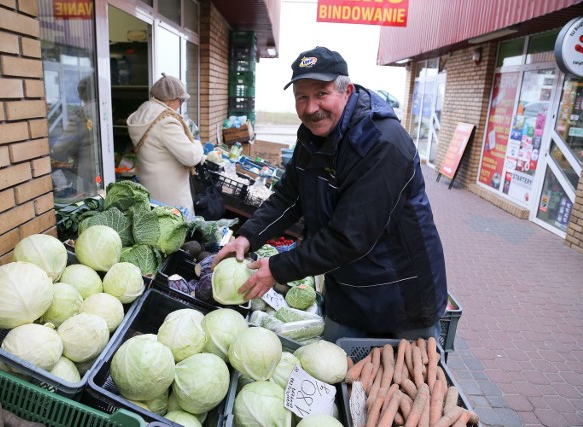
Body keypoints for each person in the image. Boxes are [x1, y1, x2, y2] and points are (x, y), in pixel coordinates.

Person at [212, 47, 448, 343]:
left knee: (407, 379)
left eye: (321, 94)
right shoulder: (312, 136)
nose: (311, 108)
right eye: (302, 96)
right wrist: (247, 237)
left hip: (400, 295)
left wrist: (279, 268)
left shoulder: (382, 144)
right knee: (338, 373)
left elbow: (351, 236)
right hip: (347, 286)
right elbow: (289, 196)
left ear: (346, 91)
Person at [127, 72, 204, 214]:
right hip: (171, 195)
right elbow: (191, 156)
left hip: (150, 187)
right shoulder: (166, 121)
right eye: (181, 100)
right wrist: (198, 144)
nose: (181, 104)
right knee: (176, 231)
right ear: (169, 99)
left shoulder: (143, 111)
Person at [51, 74, 100, 197]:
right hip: (104, 169)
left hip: (89, 173)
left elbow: (60, 149)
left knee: (92, 201)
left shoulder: (81, 115)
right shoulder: (106, 108)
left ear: (82, 94)